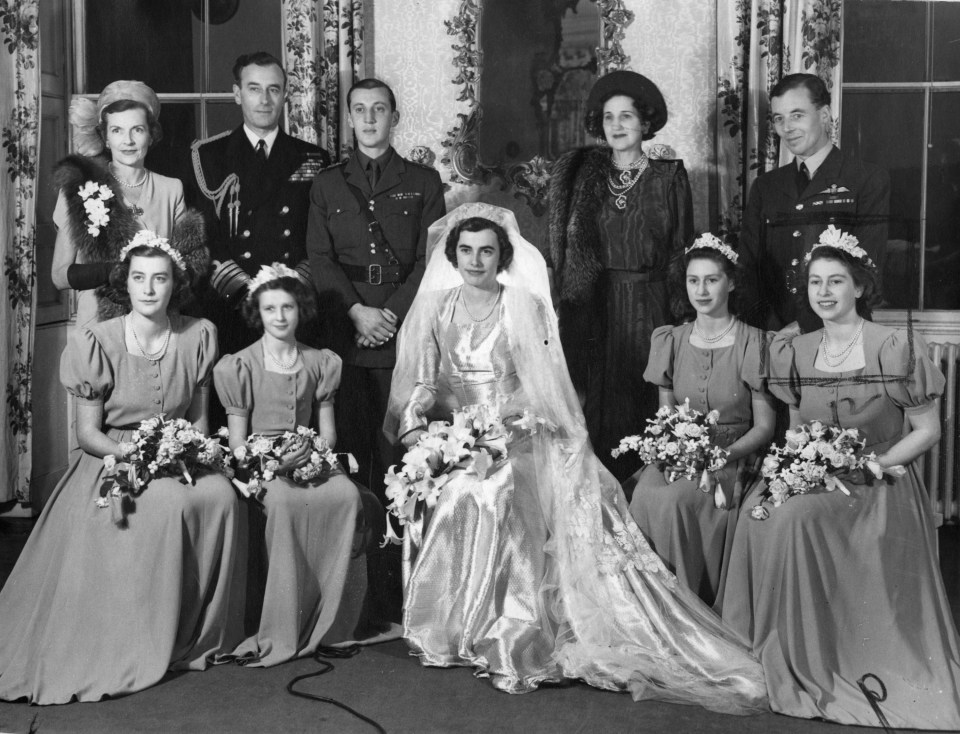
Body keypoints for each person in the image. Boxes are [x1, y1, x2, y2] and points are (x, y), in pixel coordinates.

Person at [386, 203, 767, 714]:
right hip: (458, 435)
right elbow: (425, 384)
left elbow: (539, 387)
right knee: (455, 488)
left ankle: (513, 628)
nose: (476, 260)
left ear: (503, 257)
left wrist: (500, 431)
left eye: (487, 251)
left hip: (522, 432)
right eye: (466, 251)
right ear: (452, 256)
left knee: (494, 489)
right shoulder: (436, 308)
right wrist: (420, 433)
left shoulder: (523, 306)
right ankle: (456, 626)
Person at [721, 230, 960, 728]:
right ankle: (766, 648)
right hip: (815, 472)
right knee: (756, 510)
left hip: (878, 481)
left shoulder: (895, 346)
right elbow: (793, 433)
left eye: (836, 281)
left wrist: (875, 464)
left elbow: (928, 430)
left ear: (859, 288)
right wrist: (789, 472)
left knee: (795, 520)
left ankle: (820, 655)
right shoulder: (793, 350)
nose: (824, 292)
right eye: (815, 283)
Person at [0, 232, 242, 704]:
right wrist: (139, 454)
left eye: (160, 279)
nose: (149, 289)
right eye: (138, 279)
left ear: (176, 285)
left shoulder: (197, 334)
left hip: (177, 452)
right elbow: (88, 435)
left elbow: (197, 418)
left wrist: (187, 450)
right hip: (113, 459)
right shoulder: (97, 341)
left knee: (222, 498)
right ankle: (143, 631)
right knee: (169, 504)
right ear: (125, 285)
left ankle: (193, 632)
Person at [307, 78, 445, 625]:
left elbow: (431, 259)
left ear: (394, 117)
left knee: (401, 461)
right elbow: (318, 257)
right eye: (359, 110)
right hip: (346, 334)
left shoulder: (423, 180)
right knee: (351, 457)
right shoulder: (325, 184)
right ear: (349, 118)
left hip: (401, 331)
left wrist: (390, 313)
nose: (368, 119)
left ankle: (404, 593)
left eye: (379, 110)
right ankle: (357, 596)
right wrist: (355, 313)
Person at [213, 263, 377, 665]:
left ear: (300, 310)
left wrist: (313, 453)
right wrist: (272, 461)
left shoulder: (320, 361)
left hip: (309, 455)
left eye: (287, 307)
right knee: (284, 504)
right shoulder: (241, 365)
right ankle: (284, 626)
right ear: (258, 314)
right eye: (270, 309)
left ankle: (333, 623)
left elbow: (328, 433)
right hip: (262, 464)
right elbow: (236, 442)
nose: (280, 317)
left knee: (344, 496)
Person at [549, 70, 694, 481]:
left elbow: (679, 250)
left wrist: (681, 314)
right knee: (597, 403)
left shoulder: (669, 176)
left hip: (651, 306)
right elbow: (561, 252)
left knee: (649, 398)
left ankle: (647, 495)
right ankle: (603, 498)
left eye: (626, 117)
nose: (617, 125)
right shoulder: (582, 175)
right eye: (609, 117)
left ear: (645, 123)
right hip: (596, 309)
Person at [626, 234, 775, 606]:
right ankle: (649, 611)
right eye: (694, 280)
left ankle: (685, 608)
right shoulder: (670, 340)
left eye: (712, 279)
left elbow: (765, 427)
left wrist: (723, 456)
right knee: (643, 493)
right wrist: (676, 450)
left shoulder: (754, 343)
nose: (702, 290)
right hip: (681, 453)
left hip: (733, 456)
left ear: (732, 282)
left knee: (676, 501)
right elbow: (666, 416)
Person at [190, 51, 329, 356]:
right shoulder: (208, 156)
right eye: (254, 89)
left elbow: (318, 235)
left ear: (285, 95)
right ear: (237, 94)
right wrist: (245, 291)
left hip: (292, 306)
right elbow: (205, 235)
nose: (264, 99)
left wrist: (290, 288)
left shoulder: (313, 158)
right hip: (231, 305)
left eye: (273, 89)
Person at [738, 73, 890, 332]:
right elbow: (747, 268)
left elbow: (865, 270)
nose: (787, 128)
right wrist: (765, 326)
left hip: (840, 332)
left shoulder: (867, 179)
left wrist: (805, 325)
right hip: (773, 335)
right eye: (779, 118)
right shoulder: (766, 186)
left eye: (797, 115)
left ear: (824, 114)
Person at [52, 80, 203, 327]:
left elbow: (186, 267)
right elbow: (59, 276)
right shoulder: (81, 188)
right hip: (98, 326)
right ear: (105, 138)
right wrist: (116, 271)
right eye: (117, 130)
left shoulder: (171, 189)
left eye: (138, 130)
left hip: (156, 324)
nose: (128, 140)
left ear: (152, 135)